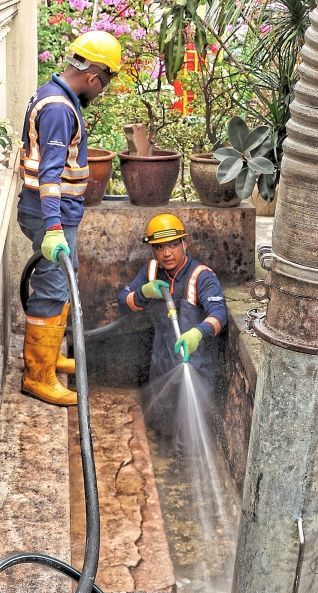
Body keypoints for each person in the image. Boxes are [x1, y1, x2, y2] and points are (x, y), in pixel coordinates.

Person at [18, 30, 122, 406]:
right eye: (104, 83)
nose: (101, 91)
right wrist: (54, 228)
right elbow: (49, 175)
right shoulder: (60, 109)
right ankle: (38, 375)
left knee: (63, 280)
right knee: (53, 287)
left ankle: (45, 357)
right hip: (51, 214)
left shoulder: (52, 92)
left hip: (55, 213)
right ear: (94, 77)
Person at [118, 213, 227, 443]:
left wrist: (198, 332)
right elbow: (122, 301)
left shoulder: (201, 276)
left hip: (195, 364)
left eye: (173, 245)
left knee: (190, 435)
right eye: (159, 248)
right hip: (163, 362)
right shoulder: (151, 271)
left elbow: (219, 315)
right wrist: (143, 293)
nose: (166, 253)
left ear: (184, 243)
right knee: (162, 427)